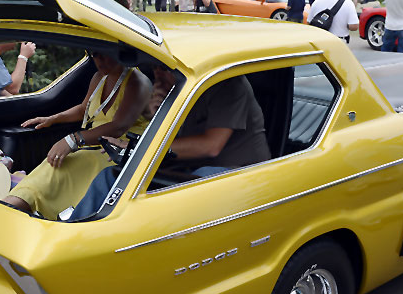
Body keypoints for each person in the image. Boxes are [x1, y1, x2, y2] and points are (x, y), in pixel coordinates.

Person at [69, 69, 270, 220]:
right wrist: (156, 113)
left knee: (177, 200)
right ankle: (76, 231)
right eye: (156, 68)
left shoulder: (228, 85)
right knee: (110, 177)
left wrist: (143, 148)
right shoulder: (176, 91)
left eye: (165, 69)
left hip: (238, 171)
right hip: (187, 166)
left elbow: (211, 146)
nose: (158, 75)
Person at [3, 52, 152, 219]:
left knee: (64, 163)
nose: (100, 60)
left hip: (118, 153)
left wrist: (72, 140)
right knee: (54, 163)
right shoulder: (99, 77)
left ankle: (16, 209)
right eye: (96, 54)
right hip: (91, 147)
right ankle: (10, 206)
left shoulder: (138, 82)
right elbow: (83, 109)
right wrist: (53, 119)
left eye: (105, 53)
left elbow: (118, 126)